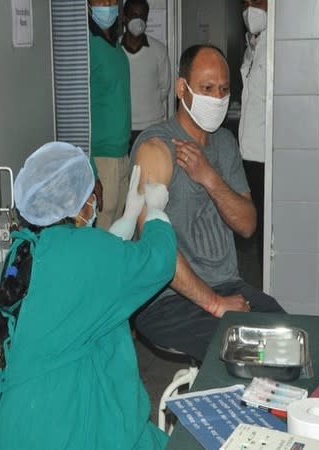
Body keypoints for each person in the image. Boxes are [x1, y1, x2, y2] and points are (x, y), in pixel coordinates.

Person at [0, 142, 177, 450]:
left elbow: (86, 271)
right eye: (93, 194)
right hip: (66, 425)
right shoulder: (85, 253)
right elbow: (157, 261)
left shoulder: (24, 250)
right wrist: (156, 212)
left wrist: (127, 216)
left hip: (14, 425)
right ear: (77, 201)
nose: (97, 201)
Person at [131, 44, 284, 362]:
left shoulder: (225, 144)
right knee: (255, 354)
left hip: (228, 285)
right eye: (206, 88)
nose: (216, 98)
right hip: (165, 299)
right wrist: (215, 303)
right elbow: (157, 251)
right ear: (181, 89)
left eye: (223, 90)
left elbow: (247, 225)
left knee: (287, 339)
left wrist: (209, 177)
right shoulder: (155, 148)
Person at [88, 0, 131, 230]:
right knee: (102, 234)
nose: (107, 4)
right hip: (101, 157)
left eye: (112, 0)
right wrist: (90, 171)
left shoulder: (114, 45)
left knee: (118, 232)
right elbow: (76, 112)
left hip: (121, 155)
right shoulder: (86, 46)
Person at [239, 0, 268, 277]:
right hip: (249, 154)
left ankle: (267, 279)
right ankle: (262, 276)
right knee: (256, 222)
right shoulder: (252, 45)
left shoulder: (276, 44)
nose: (250, 8)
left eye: (257, 0)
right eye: (245, 2)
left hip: (266, 154)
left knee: (265, 224)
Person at [121, 0, 171, 150]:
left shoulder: (159, 50)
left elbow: (165, 88)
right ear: (125, 17)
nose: (139, 20)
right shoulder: (115, 50)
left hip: (152, 128)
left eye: (143, 16)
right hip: (122, 129)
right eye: (134, 15)